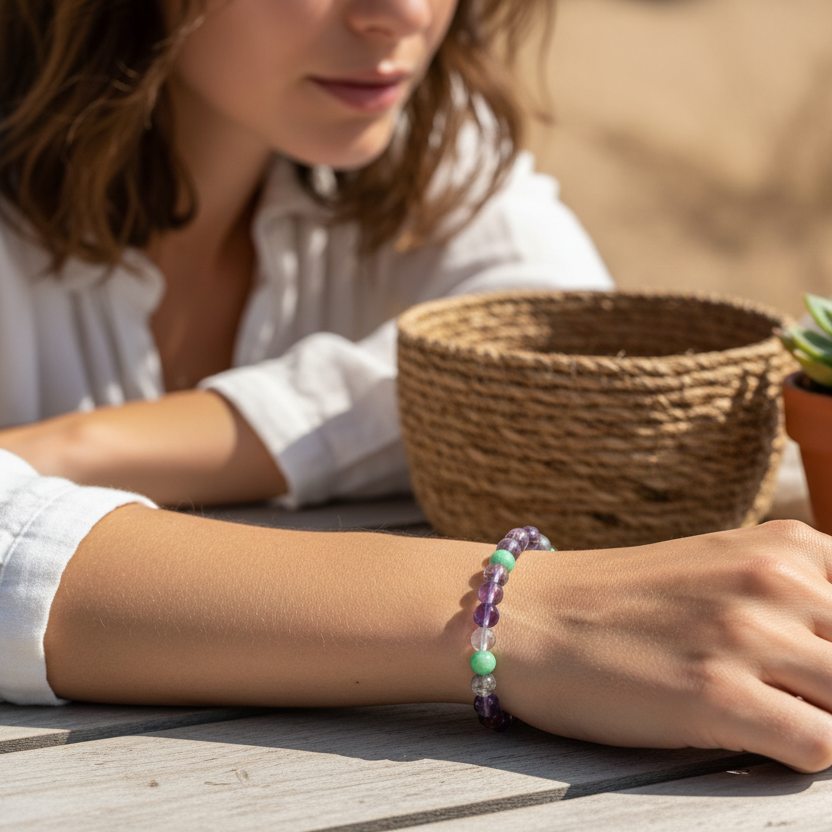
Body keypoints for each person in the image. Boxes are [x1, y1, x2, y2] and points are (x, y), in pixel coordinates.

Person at [0, 0, 831, 776]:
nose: (402, 13)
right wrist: (531, 616)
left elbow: (554, 362)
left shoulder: (417, 136)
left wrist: (74, 448)